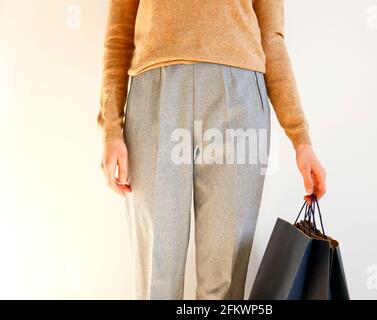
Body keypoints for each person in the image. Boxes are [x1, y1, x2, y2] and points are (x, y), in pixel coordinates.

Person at [98, 0, 326, 300]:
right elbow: (119, 34)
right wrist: (111, 129)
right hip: (155, 95)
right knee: (157, 272)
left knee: (225, 277)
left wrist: (301, 140)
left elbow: (271, 37)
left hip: (239, 100)